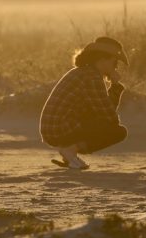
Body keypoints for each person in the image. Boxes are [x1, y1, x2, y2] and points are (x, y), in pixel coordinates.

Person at [39, 36, 129, 169]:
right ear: (103, 59)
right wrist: (115, 87)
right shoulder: (92, 77)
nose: (115, 67)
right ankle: (70, 150)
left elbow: (101, 111)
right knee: (118, 132)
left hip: (52, 129)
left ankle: (69, 153)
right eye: (114, 62)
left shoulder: (83, 72)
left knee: (105, 123)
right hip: (59, 130)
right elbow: (109, 117)